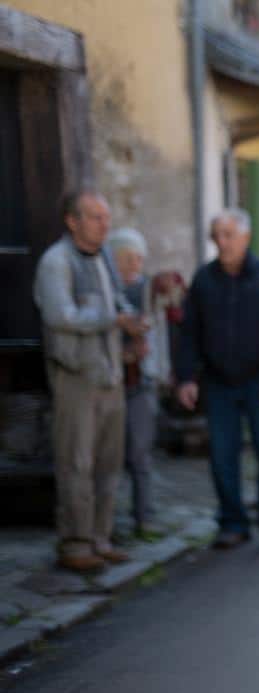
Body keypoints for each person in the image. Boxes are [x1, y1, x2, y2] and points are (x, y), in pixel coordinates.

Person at [175, 209, 259, 550]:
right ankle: (232, 523)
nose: (222, 242)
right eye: (217, 235)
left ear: (246, 237)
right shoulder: (204, 280)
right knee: (222, 456)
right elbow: (189, 333)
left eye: (229, 235)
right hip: (218, 383)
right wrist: (186, 377)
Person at [34, 191, 143, 571]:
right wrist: (112, 319)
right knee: (76, 462)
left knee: (109, 463)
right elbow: (60, 316)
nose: (104, 224)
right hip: (76, 376)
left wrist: (131, 321)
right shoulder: (55, 261)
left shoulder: (105, 257)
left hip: (110, 373)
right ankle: (75, 543)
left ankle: (101, 537)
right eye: (95, 217)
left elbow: (117, 302)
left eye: (106, 217)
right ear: (72, 221)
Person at [108, 228, 169, 538]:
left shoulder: (148, 291)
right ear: (113, 260)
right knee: (108, 458)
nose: (135, 264)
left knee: (140, 454)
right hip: (110, 382)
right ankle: (106, 525)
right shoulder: (107, 291)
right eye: (127, 257)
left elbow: (164, 326)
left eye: (139, 258)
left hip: (141, 381)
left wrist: (159, 368)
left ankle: (145, 517)